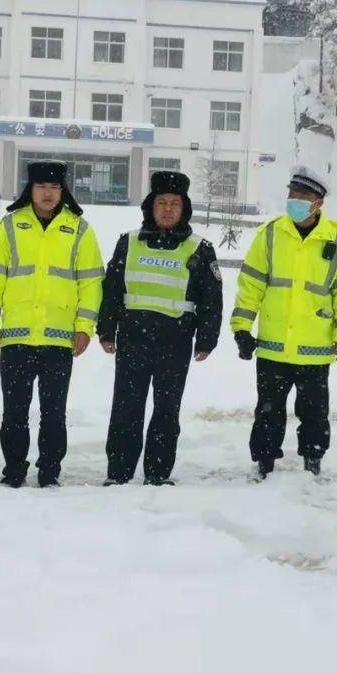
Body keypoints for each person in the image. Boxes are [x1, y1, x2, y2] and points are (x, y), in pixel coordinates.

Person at [0, 160, 104, 488]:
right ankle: (14, 470)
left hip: (58, 341)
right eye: (41, 187)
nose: (48, 194)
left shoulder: (79, 229)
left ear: (63, 191)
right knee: (14, 414)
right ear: (30, 189)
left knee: (53, 413)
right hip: (17, 337)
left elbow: (91, 283)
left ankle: (50, 471)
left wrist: (84, 327)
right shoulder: (10, 226)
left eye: (54, 187)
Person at [231, 165, 337, 480]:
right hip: (273, 343)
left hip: (316, 345)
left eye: (303, 196)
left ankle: (313, 462)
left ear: (319, 203)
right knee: (268, 411)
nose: (295, 200)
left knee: (314, 413)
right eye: (292, 194)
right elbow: (252, 284)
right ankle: (264, 462)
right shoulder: (271, 234)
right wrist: (242, 327)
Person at [98, 171, 222, 485]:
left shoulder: (200, 248)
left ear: (184, 209)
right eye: (161, 202)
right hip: (133, 338)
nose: (167, 209)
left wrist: (206, 339)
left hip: (175, 341)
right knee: (126, 408)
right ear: (150, 206)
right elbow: (111, 289)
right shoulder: (128, 242)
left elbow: (211, 298)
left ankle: (157, 473)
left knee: (167, 411)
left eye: (174, 204)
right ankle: (119, 472)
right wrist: (106, 330)